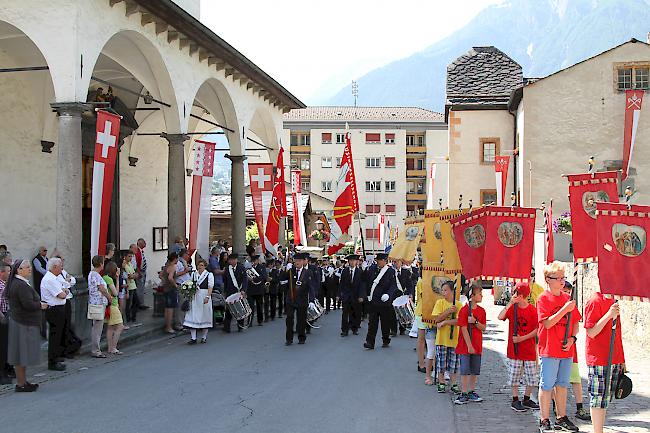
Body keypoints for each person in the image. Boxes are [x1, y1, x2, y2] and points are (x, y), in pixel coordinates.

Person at [537, 261, 580, 433]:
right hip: (549, 349)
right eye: (558, 278)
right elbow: (547, 323)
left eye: (563, 277)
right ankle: (544, 419)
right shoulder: (543, 299)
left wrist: (573, 339)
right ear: (548, 279)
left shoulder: (567, 298)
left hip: (566, 349)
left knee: (562, 385)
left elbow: (576, 321)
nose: (562, 281)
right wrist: (564, 309)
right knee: (547, 385)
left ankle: (561, 417)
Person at [583, 289, 625, 433]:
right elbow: (591, 332)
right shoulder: (595, 300)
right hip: (599, 358)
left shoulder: (614, 301)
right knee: (598, 398)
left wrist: (622, 359)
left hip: (614, 357)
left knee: (606, 398)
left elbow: (618, 332)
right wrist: (609, 315)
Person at [497, 281, 540, 412]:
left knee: (531, 377)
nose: (515, 295)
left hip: (528, 349)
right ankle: (515, 399)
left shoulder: (532, 310)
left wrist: (522, 338)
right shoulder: (512, 308)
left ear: (523, 295)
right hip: (514, 351)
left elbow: (537, 329)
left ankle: (526, 398)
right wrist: (509, 304)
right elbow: (500, 317)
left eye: (517, 293)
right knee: (514, 376)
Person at [6, 259, 48, 392]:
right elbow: (28, 305)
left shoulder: (19, 283)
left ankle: (23, 382)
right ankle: (21, 384)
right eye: (27, 267)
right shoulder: (20, 285)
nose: (30, 269)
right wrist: (40, 305)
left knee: (21, 355)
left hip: (21, 321)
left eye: (30, 267)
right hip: (22, 323)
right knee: (20, 355)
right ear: (19, 270)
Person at [555, 281, 591, 421]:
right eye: (565, 291)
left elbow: (577, 323)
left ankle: (579, 407)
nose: (567, 294)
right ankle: (555, 405)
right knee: (555, 382)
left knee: (576, 379)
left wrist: (572, 338)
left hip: (571, 350)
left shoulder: (572, 306)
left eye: (569, 292)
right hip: (556, 349)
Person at [454, 284, 487, 405]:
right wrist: (469, 345)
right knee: (465, 370)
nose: (482, 296)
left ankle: (471, 390)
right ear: (472, 296)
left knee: (474, 370)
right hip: (465, 345)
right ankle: (464, 392)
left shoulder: (481, 311)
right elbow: (463, 328)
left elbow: (483, 327)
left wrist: (475, 322)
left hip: (477, 344)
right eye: (479, 294)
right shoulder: (464, 310)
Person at [40, 257, 69, 371]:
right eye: (60, 266)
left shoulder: (55, 278)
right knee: (55, 335)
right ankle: (53, 361)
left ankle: (57, 357)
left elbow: (65, 289)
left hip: (59, 308)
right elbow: (61, 294)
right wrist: (65, 291)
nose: (62, 268)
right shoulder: (50, 279)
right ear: (54, 267)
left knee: (59, 334)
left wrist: (64, 291)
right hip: (54, 309)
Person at [363, 253, 397, 350]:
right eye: (377, 260)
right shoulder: (372, 269)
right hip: (373, 301)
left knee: (385, 322)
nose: (378, 262)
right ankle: (370, 342)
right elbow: (367, 281)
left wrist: (388, 294)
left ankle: (385, 339)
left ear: (385, 261)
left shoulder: (390, 271)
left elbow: (393, 285)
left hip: (384, 301)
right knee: (372, 323)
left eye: (380, 260)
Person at [432, 280, 461, 393]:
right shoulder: (440, 303)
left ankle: (453, 383)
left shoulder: (458, 304)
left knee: (454, 363)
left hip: (454, 339)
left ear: (452, 291)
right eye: (442, 290)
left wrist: (446, 323)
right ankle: (441, 382)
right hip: (441, 339)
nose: (443, 292)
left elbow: (459, 321)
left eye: (446, 290)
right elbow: (437, 319)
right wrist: (448, 311)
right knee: (441, 362)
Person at [285, 252, 315, 345]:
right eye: (295, 261)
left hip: (302, 300)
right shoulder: (290, 271)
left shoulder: (308, 273)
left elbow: (311, 287)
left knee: (301, 320)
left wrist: (312, 300)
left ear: (303, 262)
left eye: (299, 261)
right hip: (291, 299)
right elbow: (282, 279)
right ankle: (289, 339)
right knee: (289, 319)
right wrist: (284, 270)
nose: (297, 263)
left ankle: (301, 337)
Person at [183, 259, 214, 344]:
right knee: (193, 316)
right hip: (195, 297)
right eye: (198, 265)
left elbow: (210, 287)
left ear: (205, 266)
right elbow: (190, 284)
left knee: (205, 315)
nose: (199, 267)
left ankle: (204, 337)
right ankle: (193, 338)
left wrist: (207, 296)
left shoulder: (209, 275)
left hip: (204, 296)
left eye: (201, 265)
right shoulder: (193, 274)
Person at [88, 255, 111, 358]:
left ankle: (96, 349)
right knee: (97, 328)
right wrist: (109, 297)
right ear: (101, 264)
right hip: (98, 303)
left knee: (97, 327)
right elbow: (101, 288)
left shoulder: (92, 274)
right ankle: (95, 350)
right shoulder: (96, 275)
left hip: (97, 302)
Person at [102, 262, 124, 355]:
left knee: (110, 327)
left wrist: (117, 279)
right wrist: (117, 278)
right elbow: (115, 293)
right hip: (113, 305)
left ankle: (110, 348)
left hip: (108, 305)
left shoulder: (104, 278)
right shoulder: (109, 279)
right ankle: (113, 347)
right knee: (119, 326)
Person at [222, 253, 248, 333]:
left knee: (240, 308)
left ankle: (240, 326)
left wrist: (244, 289)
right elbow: (225, 280)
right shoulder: (227, 269)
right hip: (230, 291)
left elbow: (245, 280)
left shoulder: (241, 268)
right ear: (229, 261)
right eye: (231, 260)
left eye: (235, 259)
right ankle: (227, 327)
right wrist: (225, 291)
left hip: (239, 290)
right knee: (229, 310)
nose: (233, 261)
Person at [339, 254, 364, 336]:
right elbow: (341, 284)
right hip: (346, 296)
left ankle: (354, 328)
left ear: (356, 262)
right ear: (348, 262)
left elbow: (362, 285)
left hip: (356, 296)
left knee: (355, 313)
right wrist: (339, 294)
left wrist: (361, 296)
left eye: (354, 260)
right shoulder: (345, 271)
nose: (352, 262)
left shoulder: (360, 272)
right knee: (345, 313)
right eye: (351, 260)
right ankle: (344, 330)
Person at [160, 252, 179, 334]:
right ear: (175, 259)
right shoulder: (173, 266)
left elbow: (160, 275)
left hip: (165, 288)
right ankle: (169, 327)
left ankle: (166, 325)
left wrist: (164, 281)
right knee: (171, 308)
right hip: (171, 289)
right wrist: (175, 285)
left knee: (167, 308)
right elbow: (170, 277)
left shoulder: (166, 266)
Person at [0, 262, 12, 384]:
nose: (10, 273)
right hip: (2, 317)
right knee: (2, 348)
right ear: (1, 272)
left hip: (8, 315)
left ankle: (7, 370)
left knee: (6, 347)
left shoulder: (6, 284)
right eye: (8, 271)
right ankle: (1, 374)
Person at [246, 255, 266, 327]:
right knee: (250, 306)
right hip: (250, 290)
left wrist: (253, 279)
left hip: (259, 289)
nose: (253, 262)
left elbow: (263, 276)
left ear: (257, 261)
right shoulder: (248, 268)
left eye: (255, 261)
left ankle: (260, 320)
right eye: (252, 261)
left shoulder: (262, 267)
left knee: (259, 306)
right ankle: (249, 322)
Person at [174, 249, 192, 330]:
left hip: (186, 285)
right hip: (181, 285)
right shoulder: (178, 263)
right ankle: (179, 324)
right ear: (184, 254)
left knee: (185, 305)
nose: (189, 256)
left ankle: (184, 322)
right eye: (187, 254)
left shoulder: (184, 262)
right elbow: (175, 274)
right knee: (181, 305)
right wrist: (185, 271)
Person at [122, 251, 139, 323]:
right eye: (129, 256)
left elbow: (135, 274)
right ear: (125, 257)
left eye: (131, 256)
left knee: (136, 302)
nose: (130, 258)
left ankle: (133, 317)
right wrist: (133, 275)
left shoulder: (130, 264)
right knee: (129, 303)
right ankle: (128, 318)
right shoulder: (124, 265)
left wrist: (134, 275)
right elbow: (129, 276)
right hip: (129, 286)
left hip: (133, 285)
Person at [134, 238, 149, 310]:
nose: (145, 244)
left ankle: (140, 302)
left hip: (143, 271)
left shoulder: (141, 251)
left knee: (142, 287)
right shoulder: (137, 251)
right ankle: (140, 304)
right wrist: (139, 272)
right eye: (144, 242)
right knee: (140, 287)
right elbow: (136, 263)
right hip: (140, 271)